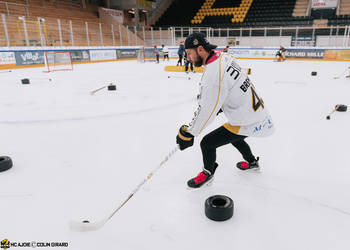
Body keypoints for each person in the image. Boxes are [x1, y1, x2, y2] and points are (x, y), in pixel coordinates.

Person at [176, 33, 275, 189]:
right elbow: (231, 85)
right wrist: (220, 104)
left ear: (200, 49)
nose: (187, 57)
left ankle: (208, 173)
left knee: (207, 143)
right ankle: (252, 162)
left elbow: (206, 112)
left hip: (247, 118)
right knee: (235, 137)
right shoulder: (222, 56)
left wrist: (190, 133)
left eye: (189, 53)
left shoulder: (213, 75)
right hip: (255, 113)